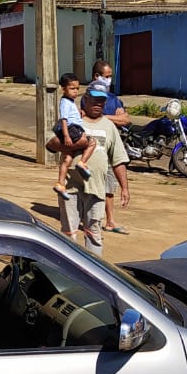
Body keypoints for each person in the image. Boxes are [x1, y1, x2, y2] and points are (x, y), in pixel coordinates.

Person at [57, 89, 130, 255]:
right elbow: (52, 144)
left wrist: (124, 187)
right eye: (94, 101)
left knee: (94, 233)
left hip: (97, 189)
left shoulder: (109, 126)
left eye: (101, 102)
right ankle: (68, 272)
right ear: (86, 101)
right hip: (70, 188)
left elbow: (118, 160)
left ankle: (93, 273)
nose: (98, 105)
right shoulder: (73, 122)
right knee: (69, 233)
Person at [90, 60, 131, 234]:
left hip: (110, 148)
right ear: (96, 76)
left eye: (110, 77)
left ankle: (110, 220)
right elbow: (86, 115)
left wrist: (104, 118)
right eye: (106, 77)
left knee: (109, 185)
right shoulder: (88, 96)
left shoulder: (114, 99)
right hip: (94, 148)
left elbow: (125, 120)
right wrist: (111, 118)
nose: (108, 80)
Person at [47, 73, 96, 199]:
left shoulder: (70, 102)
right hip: (71, 130)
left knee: (67, 159)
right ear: (63, 89)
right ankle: (82, 163)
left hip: (71, 129)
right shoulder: (65, 102)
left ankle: (60, 183)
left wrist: (80, 113)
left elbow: (72, 115)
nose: (75, 91)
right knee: (91, 142)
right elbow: (64, 119)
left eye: (77, 89)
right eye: (72, 88)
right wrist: (67, 135)